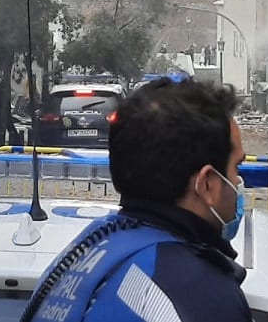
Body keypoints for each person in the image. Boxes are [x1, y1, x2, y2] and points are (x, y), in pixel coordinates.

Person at [22, 79, 253, 322]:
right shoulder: (201, 295)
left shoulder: (88, 252)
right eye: (236, 167)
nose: (238, 182)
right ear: (206, 184)